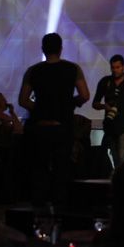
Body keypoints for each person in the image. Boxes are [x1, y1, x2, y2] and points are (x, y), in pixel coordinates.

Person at [19, 33, 89, 205]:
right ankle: (60, 208)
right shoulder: (73, 69)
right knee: (62, 170)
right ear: (61, 49)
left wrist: (41, 109)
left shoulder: (33, 71)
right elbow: (84, 95)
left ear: (43, 49)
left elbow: (23, 100)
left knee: (39, 170)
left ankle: (39, 209)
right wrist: (69, 104)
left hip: (40, 128)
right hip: (62, 127)